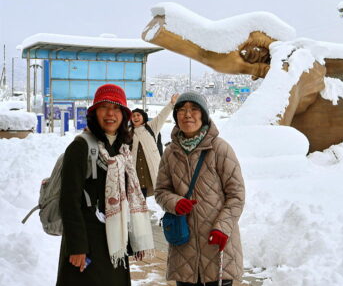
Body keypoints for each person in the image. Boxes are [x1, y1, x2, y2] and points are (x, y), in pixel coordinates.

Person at [57, 84, 154, 286]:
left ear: (124, 114)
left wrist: (135, 238)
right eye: (104, 107)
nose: (111, 113)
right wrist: (77, 247)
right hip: (87, 244)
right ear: (94, 113)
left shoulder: (122, 148)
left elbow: (127, 196)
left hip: (114, 242)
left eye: (117, 107)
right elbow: (68, 200)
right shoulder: (80, 146)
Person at [155, 91, 245, 286]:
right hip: (183, 245)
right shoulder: (170, 152)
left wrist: (222, 227)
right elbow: (161, 191)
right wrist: (175, 203)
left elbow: (236, 195)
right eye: (182, 110)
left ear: (203, 115)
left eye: (194, 109)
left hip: (217, 243)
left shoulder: (220, 149)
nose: (188, 114)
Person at [130, 93, 179, 199]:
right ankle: (141, 213)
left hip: (151, 169)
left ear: (143, 117)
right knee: (139, 197)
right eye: (133, 116)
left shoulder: (151, 127)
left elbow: (162, 116)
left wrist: (171, 104)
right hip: (136, 171)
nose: (136, 117)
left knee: (162, 194)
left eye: (138, 115)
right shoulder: (128, 132)